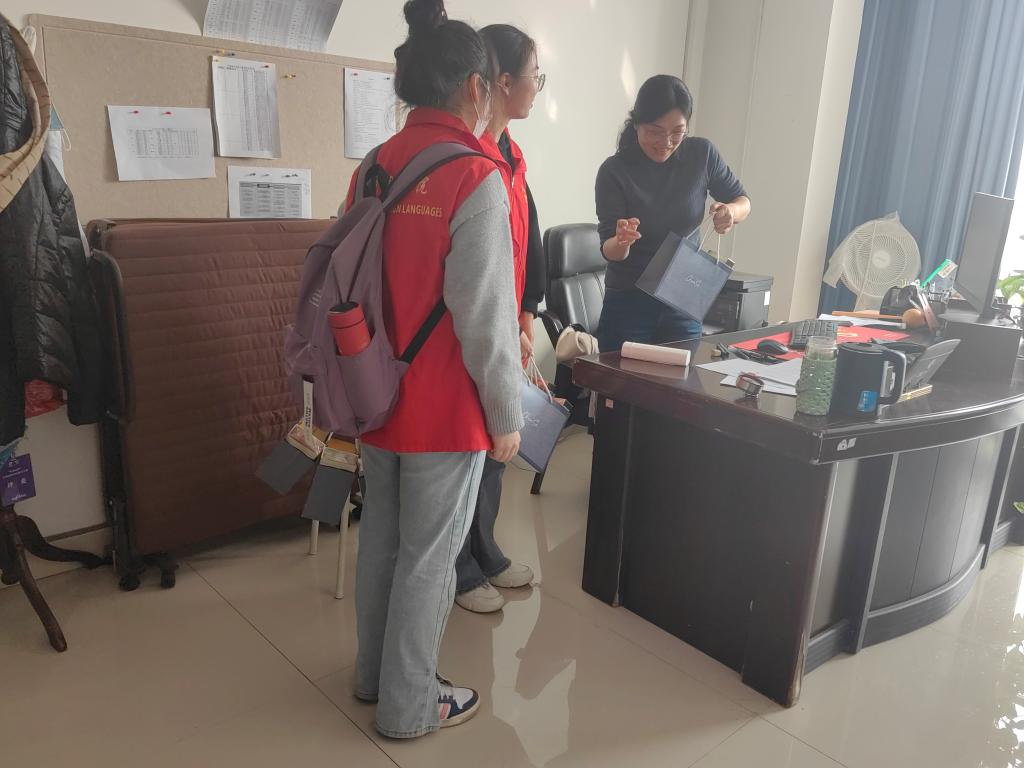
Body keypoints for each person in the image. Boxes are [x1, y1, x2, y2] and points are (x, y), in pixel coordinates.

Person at [348, 0, 523, 739]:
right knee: (430, 558)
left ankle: (373, 677)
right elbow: (484, 315)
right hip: (445, 407)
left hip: (373, 391)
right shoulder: (474, 175)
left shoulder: (374, 165)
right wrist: (507, 415)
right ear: (476, 89)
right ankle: (410, 704)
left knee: (382, 543)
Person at [454, 22, 545, 615]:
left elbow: (526, 243)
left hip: (508, 321)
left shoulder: (511, 154)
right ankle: (459, 569)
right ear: (502, 81)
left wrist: (525, 317)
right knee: (473, 448)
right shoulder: (469, 157)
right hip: (474, 328)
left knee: (497, 451)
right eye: (535, 76)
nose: (538, 86)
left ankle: (484, 551)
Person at [595, 75, 751, 352]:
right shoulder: (614, 171)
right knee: (625, 380)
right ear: (637, 123)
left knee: (682, 378)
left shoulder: (701, 154)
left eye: (677, 132)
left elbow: (743, 201)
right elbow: (610, 251)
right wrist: (621, 241)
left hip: (683, 297)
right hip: (628, 303)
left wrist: (730, 211)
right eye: (655, 131)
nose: (666, 142)